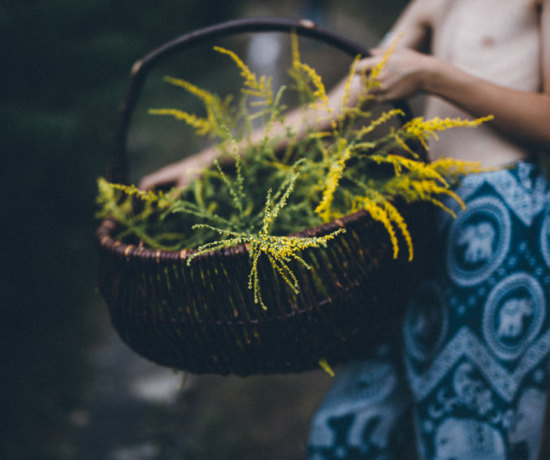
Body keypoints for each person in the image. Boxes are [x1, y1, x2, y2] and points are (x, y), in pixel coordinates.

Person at [140, 0, 550, 458]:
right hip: (421, 211)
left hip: (502, 219)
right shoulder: (433, 2)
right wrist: (209, 162)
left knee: (473, 414)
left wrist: (434, 76)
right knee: (354, 419)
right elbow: (335, 109)